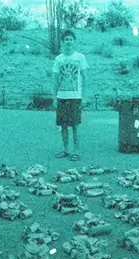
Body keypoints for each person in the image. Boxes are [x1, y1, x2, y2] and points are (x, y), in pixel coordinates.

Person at [52, 29, 89, 162]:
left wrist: (84, 97)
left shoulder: (80, 57)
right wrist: (54, 97)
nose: (68, 42)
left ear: (74, 41)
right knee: (63, 125)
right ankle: (66, 150)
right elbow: (55, 79)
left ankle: (76, 151)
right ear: (63, 42)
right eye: (66, 39)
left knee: (75, 125)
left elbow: (85, 78)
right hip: (62, 96)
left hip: (75, 97)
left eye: (70, 39)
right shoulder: (58, 59)